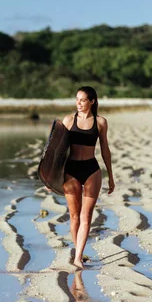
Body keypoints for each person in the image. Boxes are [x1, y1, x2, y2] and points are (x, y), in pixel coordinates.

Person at [61, 86, 114, 269]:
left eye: (83, 100)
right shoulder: (68, 120)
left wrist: (111, 176)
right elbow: (57, 151)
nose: (79, 103)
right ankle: (79, 253)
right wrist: (49, 177)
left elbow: (105, 150)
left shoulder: (100, 122)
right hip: (71, 170)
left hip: (92, 169)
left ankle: (77, 258)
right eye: (77, 99)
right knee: (74, 216)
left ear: (92, 101)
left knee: (87, 215)